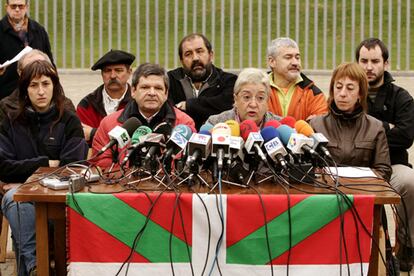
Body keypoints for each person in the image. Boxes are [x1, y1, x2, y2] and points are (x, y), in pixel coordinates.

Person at [0, 60, 88, 276]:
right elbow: (3, 167)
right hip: (23, 199)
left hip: (60, 199)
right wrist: (46, 163)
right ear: (24, 90)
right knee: (15, 200)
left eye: (46, 84)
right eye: (33, 85)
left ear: (54, 86)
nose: (41, 91)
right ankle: (35, 268)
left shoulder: (69, 120)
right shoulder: (11, 121)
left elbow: (72, 166)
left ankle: (33, 269)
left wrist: (28, 179)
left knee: (16, 197)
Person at [356, 37, 414, 271]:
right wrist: (385, 127)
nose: (369, 67)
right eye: (363, 60)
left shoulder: (401, 97)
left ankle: (407, 242)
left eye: (375, 61)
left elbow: (406, 136)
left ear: (386, 64)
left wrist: (368, 131)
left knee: (411, 183)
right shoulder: (348, 91)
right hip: (355, 166)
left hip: (393, 165)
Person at [92, 62, 196, 169]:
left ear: (166, 94)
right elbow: (99, 163)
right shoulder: (109, 124)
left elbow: (187, 164)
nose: (152, 93)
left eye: (158, 88)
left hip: (167, 184)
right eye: (145, 87)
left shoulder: (184, 124)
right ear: (133, 91)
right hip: (121, 184)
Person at [310, 62, 391, 179]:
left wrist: (356, 180)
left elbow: (384, 171)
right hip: (325, 193)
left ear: (360, 94)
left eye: (350, 88)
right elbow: (305, 168)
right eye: (338, 87)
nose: (342, 94)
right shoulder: (315, 125)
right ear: (332, 90)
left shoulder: (375, 127)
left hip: (362, 192)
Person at [168, 33, 237, 130]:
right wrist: (209, 106)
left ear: (211, 55)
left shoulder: (229, 81)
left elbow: (226, 105)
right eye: (188, 54)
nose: (195, 58)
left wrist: (189, 105)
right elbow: (168, 111)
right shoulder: (170, 80)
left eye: (200, 51)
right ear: (181, 60)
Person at [76, 49, 135, 145]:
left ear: (129, 72)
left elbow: (140, 138)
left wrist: (93, 133)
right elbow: (83, 141)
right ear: (102, 74)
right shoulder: (86, 105)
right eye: (107, 71)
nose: (112, 76)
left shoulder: (138, 102)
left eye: (118, 70)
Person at [0, 49, 75, 123]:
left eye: (43, 67)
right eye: (29, 70)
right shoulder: (7, 107)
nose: (41, 91)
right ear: (20, 74)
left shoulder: (65, 106)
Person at [0, 0, 54, 99]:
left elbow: (50, 64)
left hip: (37, 94)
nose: (17, 9)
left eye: (20, 6)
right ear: (6, 7)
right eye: (13, 6)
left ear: (26, 7)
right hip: (6, 95)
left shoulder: (38, 30)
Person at [266, 37, 328, 121]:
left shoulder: (314, 94)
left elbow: (322, 126)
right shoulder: (257, 89)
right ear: (272, 62)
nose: (295, 63)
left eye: (297, 57)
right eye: (288, 57)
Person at [206, 68, 281, 126]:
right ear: (236, 99)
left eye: (260, 98)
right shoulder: (215, 123)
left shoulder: (280, 126)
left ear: (267, 101)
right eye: (247, 97)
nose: (253, 104)